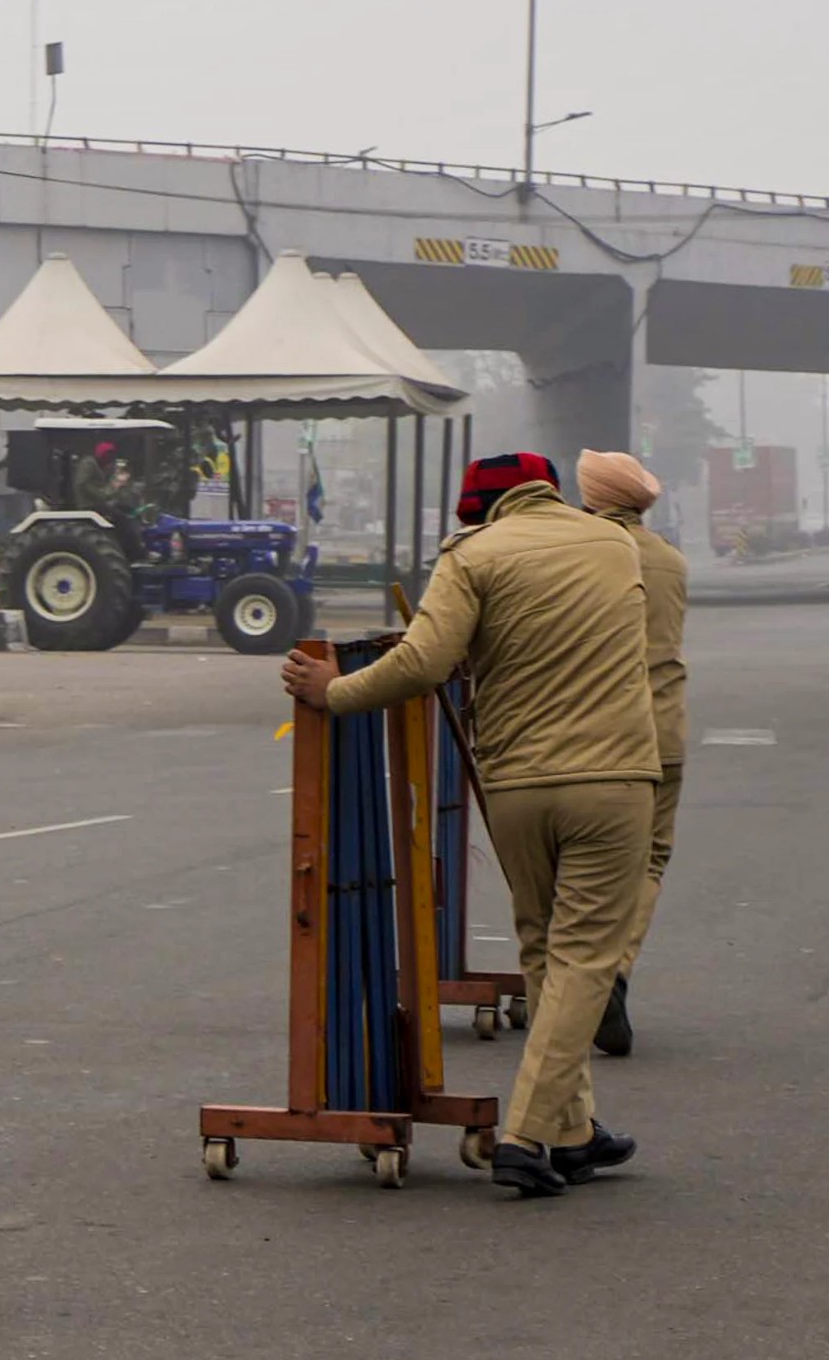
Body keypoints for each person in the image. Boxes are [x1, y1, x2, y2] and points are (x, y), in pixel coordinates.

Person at [278, 452, 657, 1199]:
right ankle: (527, 1135)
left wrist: (336, 690)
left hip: (517, 786)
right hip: (613, 782)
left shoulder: (472, 555)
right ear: (548, 491)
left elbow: (424, 663)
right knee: (584, 959)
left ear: (479, 511)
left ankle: (573, 1132)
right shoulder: (616, 543)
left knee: (546, 952)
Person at [574, 451, 687, 1059]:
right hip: (662, 732)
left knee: (582, 863)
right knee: (649, 858)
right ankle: (615, 969)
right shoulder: (670, 560)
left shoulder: (578, 553)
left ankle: (574, 981)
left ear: (591, 498)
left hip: (592, 733)